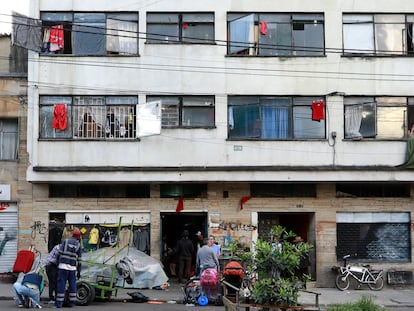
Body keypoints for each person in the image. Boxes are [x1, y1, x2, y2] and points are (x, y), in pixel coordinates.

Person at [55, 230, 82, 308]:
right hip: (72, 268)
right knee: (72, 284)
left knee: (61, 284)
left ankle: (59, 303)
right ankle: (72, 303)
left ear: (72, 235)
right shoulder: (78, 245)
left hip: (63, 266)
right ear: (78, 237)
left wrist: (57, 263)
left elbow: (59, 252)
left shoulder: (65, 241)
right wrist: (79, 271)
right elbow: (79, 259)